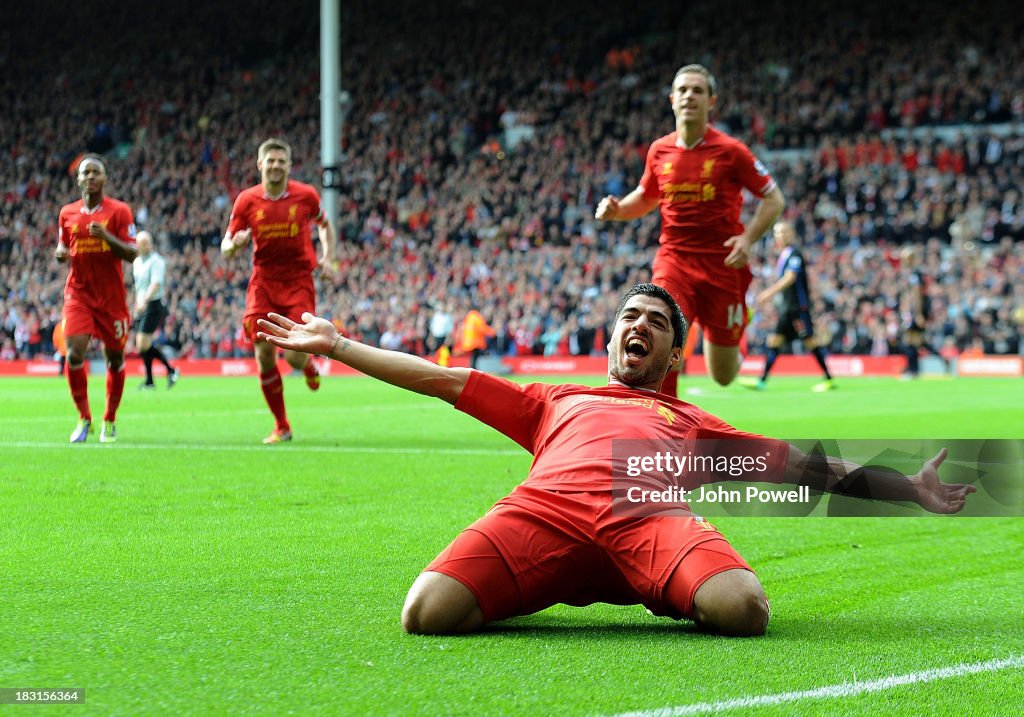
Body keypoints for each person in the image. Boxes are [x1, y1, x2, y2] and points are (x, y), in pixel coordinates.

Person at [257, 283, 974, 636]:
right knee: (425, 613)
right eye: (632, 316)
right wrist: (340, 346)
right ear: (613, 337)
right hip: (545, 514)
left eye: (657, 323)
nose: (641, 325)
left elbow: (812, 472)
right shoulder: (553, 399)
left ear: (673, 352)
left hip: (649, 515)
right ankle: (562, 575)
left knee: (744, 608)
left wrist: (910, 486)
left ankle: (643, 575)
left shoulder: (690, 421)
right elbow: (443, 379)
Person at [595, 64, 785, 396]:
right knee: (659, 334)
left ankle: (733, 325)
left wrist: (748, 238)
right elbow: (646, 196)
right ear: (672, 99)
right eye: (682, 90)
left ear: (712, 101)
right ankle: (662, 423)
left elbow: (774, 198)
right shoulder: (660, 150)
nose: (689, 96)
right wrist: (617, 211)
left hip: (723, 267)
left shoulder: (731, 151)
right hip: (675, 262)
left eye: (697, 91)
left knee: (723, 375)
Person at [221, 137, 337, 443]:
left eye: (280, 161)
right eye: (269, 161)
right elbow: (226, 247)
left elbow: (324, 224)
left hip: (298, 280)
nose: (275, 166)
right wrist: (235, 244)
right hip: (263, 282)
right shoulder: (246, 200)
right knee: (264, 354)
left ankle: (307, 365)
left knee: (295, 354)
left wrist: (327, 256)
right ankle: (282, 425)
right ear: (260, 165)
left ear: (288, 165)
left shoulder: (306, 195)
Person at [54, 154, 139, 443]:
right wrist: (60, 253)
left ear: (105, 179)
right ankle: (84, 418)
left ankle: (109, 420)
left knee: (115, 358)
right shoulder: (67, 213)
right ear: (78, 179)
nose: (90, 177)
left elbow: (132, 253)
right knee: (74, 353)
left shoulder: (119, 212)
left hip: (112, 298)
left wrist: (106, 237)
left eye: (96, 172)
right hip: (78, 294)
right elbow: (63, 245)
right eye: (85, 172)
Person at [742, 221, 834, 391]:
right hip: (787, 309)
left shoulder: (795, 254)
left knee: (810, 341)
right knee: (774, 341)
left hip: (797, 308)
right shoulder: (785, 254)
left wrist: (768, 293)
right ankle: (761, 380)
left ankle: (829, 378)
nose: (780, 236)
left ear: (791, 233)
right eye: (777, 233)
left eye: (783, 232)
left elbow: (790, 277)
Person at [132, 230, 180, 389]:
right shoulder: (137, 262)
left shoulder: (157, 261)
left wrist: (144, 301)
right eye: (142, 243)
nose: (146, 246)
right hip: (141, 305)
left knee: (142, 344)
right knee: (142, 345)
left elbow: (156, 284)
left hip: (153, 304)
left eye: (148, 242)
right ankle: (151, 381)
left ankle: (170, 370)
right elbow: (139, 286)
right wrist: (137, 304)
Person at [899, 246, 947, 378]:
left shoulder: (914, 274)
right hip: (914, 311)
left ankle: (912, 370)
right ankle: (918, 367)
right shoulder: (912, 273)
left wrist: (918, 313)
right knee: (917, 342)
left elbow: (917, 295)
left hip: (916, 311)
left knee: (911, 340)